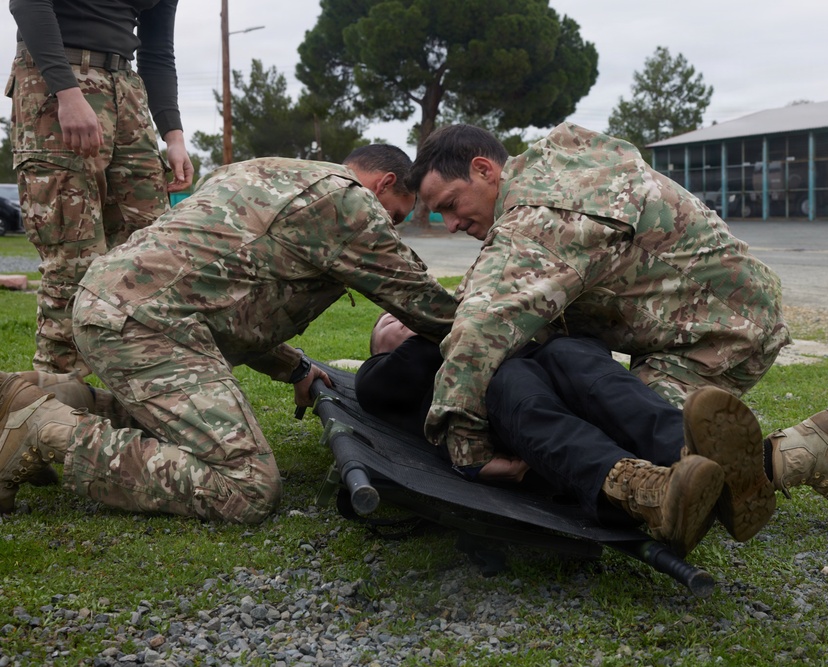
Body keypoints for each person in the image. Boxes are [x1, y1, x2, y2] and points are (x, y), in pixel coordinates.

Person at [404, 122, 828, 531]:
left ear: (485, 171)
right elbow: (493, 290)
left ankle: (803, 455)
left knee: (643, 454)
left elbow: (482, 326)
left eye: (449, 203)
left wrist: (466, 447)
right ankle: (809, 446)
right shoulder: (555, 179)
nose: (448, 224)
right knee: (642, 448)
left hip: (718, 336)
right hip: (711, 319)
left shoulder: (545, 215)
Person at [0, 146, 456, 524]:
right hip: (150, 325)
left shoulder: (260, 170)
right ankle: (46, 430)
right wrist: (506, 338)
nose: (388, 229)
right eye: (394, 217)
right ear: (384, 184)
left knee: (180, 432)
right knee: (247, 487)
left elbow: (230, 301)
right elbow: (420, 302)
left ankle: (37, 395)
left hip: (118, 304)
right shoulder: (348, 204)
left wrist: (294, 366)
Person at [357, 313, 774, 557]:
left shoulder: (489, 330)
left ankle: (694, 456)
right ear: (378, 348)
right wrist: (438, 322)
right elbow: (399, 369)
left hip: (549, 379)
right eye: (390, 321)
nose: (401, 318)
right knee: (510, 377)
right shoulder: (380, 373)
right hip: (514, 428)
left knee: (578, 360)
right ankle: (639, 489)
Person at [7, 0, 194, 376]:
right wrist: (68, 93)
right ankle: (56, 406)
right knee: (72, 261)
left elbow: (158, 51)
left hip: (128, 91)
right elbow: (28, 4)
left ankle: (143, 395)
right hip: (57, 81)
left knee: (149, 260)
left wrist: (173, 135)